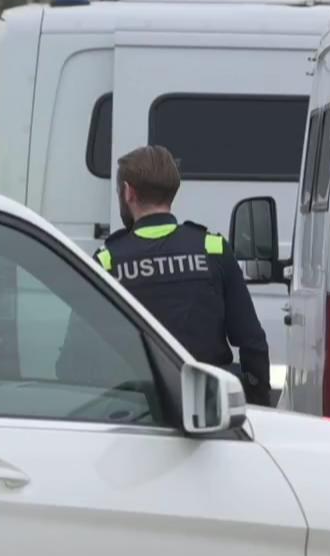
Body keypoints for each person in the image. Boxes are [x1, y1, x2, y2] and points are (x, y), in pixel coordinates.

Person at [92, 145, 271, 405]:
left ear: (128, 192)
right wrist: (256, 404)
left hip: (134, 412)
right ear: (173, 191)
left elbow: (74, 360)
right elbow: (253, 342)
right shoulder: (212, 248)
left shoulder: (107, 261)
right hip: (207, 408)